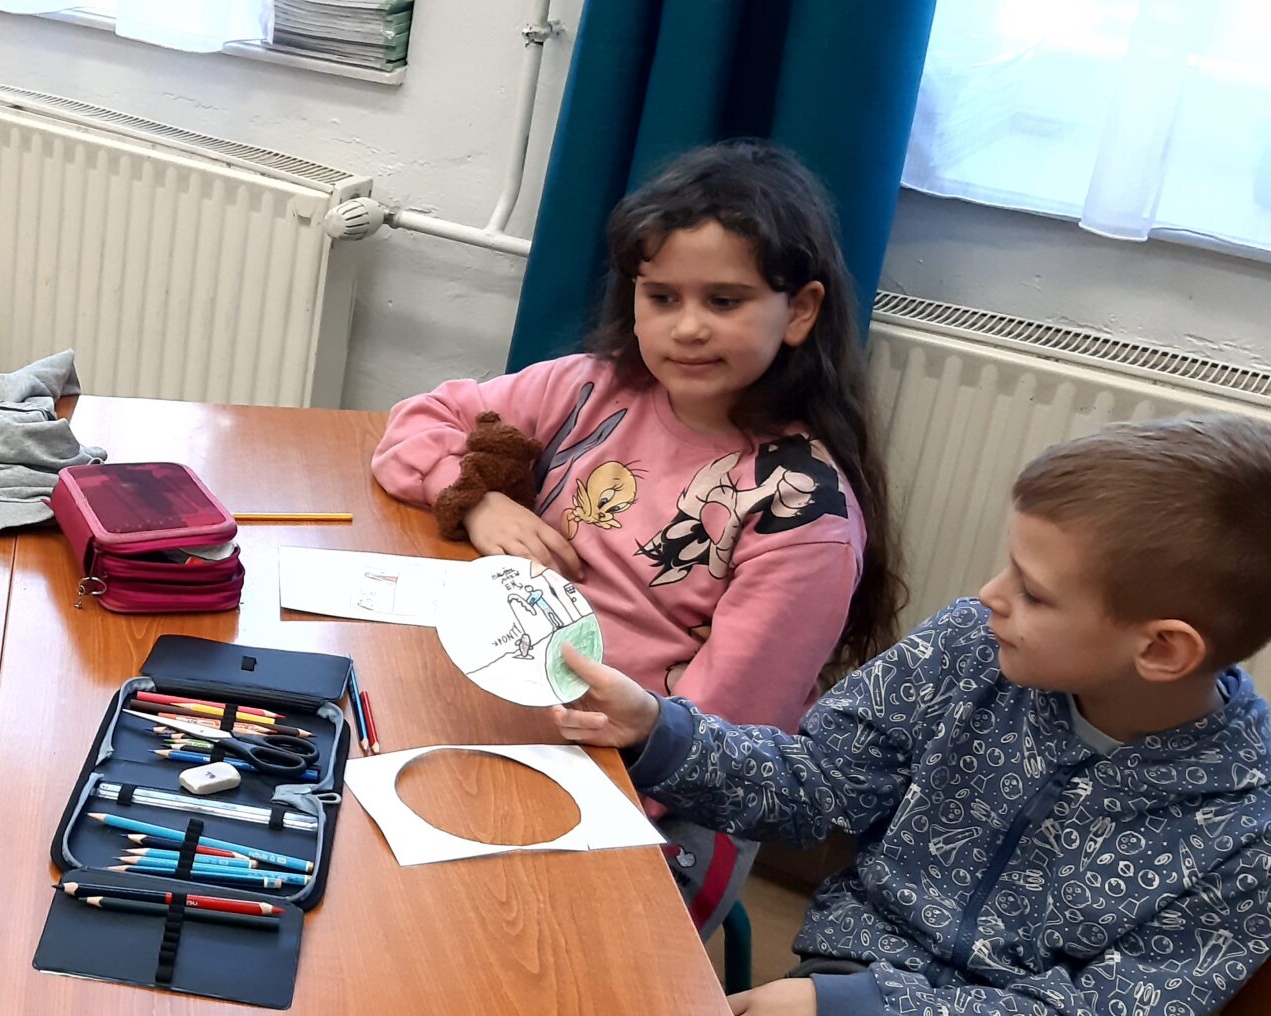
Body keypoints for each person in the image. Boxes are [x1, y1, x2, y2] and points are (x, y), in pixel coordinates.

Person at [547, 413, 1271, 1016]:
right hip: (870, 989)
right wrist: (659, 730)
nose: (991, 595)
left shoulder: (1254, 841)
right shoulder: (970, 648)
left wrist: (867, 1015)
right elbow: (817, 783)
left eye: (1033, 591)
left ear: (1163, 649)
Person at [373, 140, 900, 933]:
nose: (687, 328)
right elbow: (417, 423)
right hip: (516, 721)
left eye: (724, 301)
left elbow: (722, 741)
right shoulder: (593, 387)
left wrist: (543, 796)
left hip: (659, 797)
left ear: (799, 311)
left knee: (491, 941)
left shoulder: (802, 514)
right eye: (661, 297)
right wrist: (478, 502)